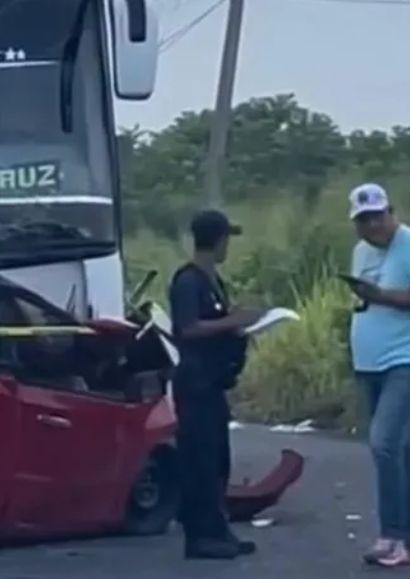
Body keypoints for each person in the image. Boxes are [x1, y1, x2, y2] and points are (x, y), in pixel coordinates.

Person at [345, 183, 410, 568]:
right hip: (371, 362)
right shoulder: (361, 251)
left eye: (378, 217)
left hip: (409, 358)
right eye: (364, 220)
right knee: (398, 450)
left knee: (383, 442)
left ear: (391, 212)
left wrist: (383, 296)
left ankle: (392, 536)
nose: (373, 226)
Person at [167, 209, 264, 560]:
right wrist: (231, 322)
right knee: (200, 460)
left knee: (218, 459)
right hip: (195, 383)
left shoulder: (212, 280)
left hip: (213, 382)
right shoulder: (188, 281)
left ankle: (218, 529)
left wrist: (236, 324)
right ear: (219, 240)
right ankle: (200, 536)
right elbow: (188, 328)